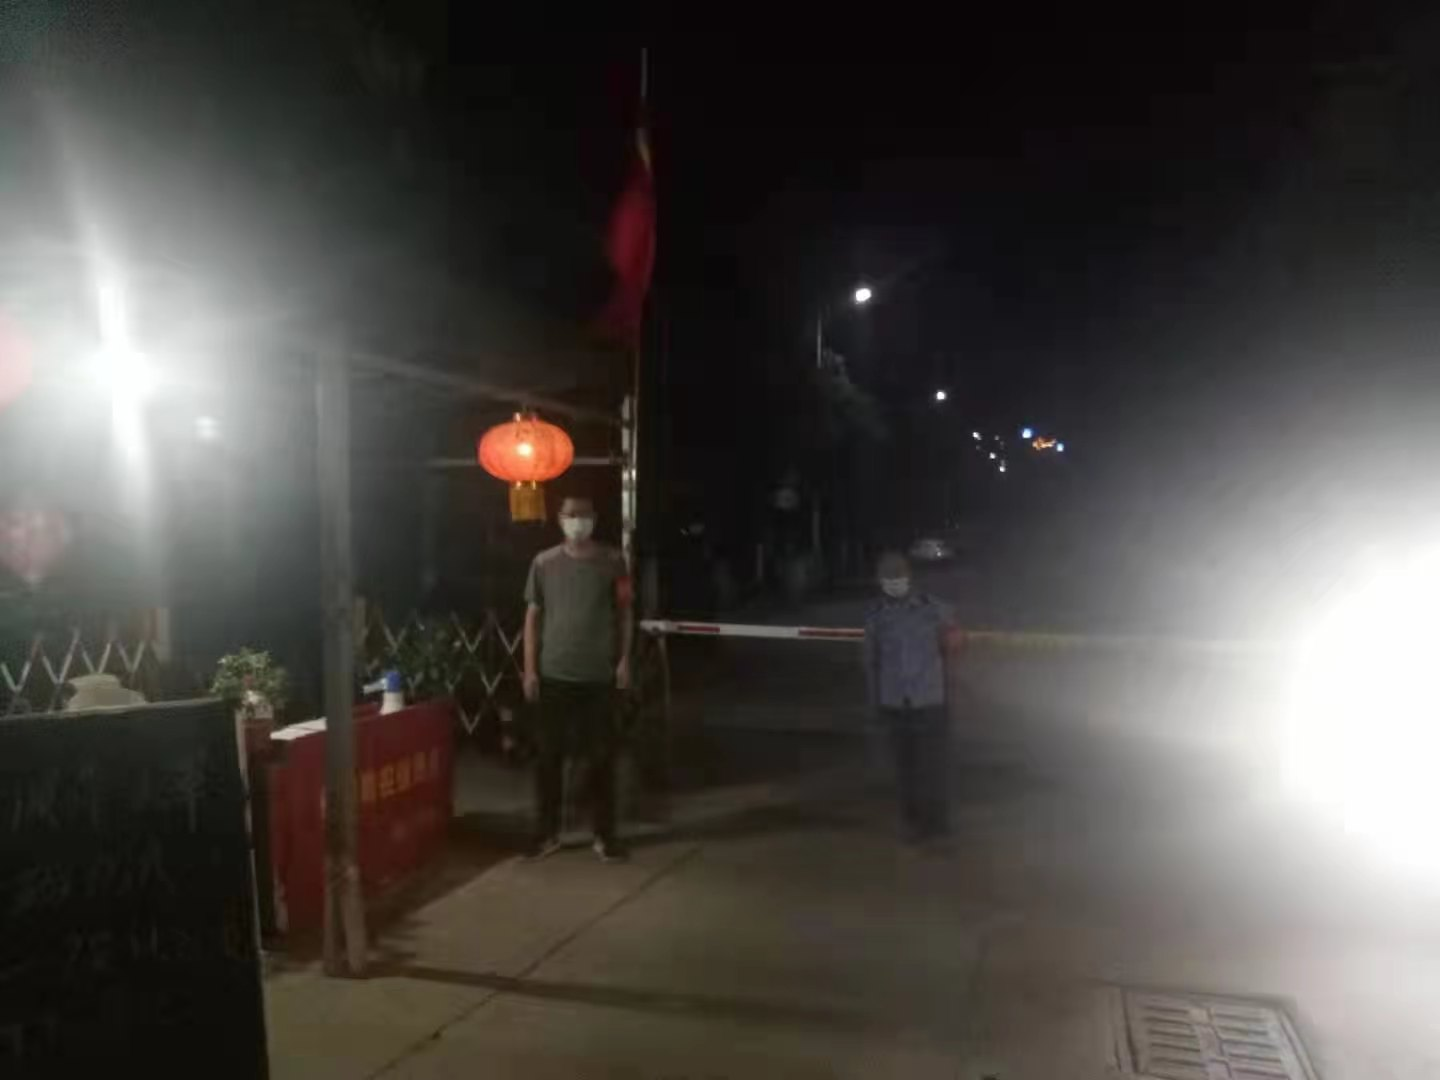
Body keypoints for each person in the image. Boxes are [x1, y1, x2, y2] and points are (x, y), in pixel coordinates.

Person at [522, 495, 633, 862]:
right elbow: (532, 618)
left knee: (602, 758)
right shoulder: (543, 563)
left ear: (594, 519)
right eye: (570, 514)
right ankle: (547, 833)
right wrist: (530, 669)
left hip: (599, 676)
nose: (577, 521)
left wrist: (624, 660)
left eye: (583, 515)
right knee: (548, 758)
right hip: (554, 674)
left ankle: (605, 835)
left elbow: (625, 613)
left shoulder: (613, 561)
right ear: (559, 519)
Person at [862, 551, 957, 844]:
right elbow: (871, 662)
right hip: (894, 703)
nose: (894, 584)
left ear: (909, 578)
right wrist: (875, 703)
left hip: (930, 701)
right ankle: (912, 822)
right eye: (888, 580)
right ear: (880, 582)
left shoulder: (935, 609)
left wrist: (951, 692)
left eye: (898, 578)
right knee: (905, 769)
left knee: (933, 767)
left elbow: (952, 647)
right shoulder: (876, 616)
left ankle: (938, 825)